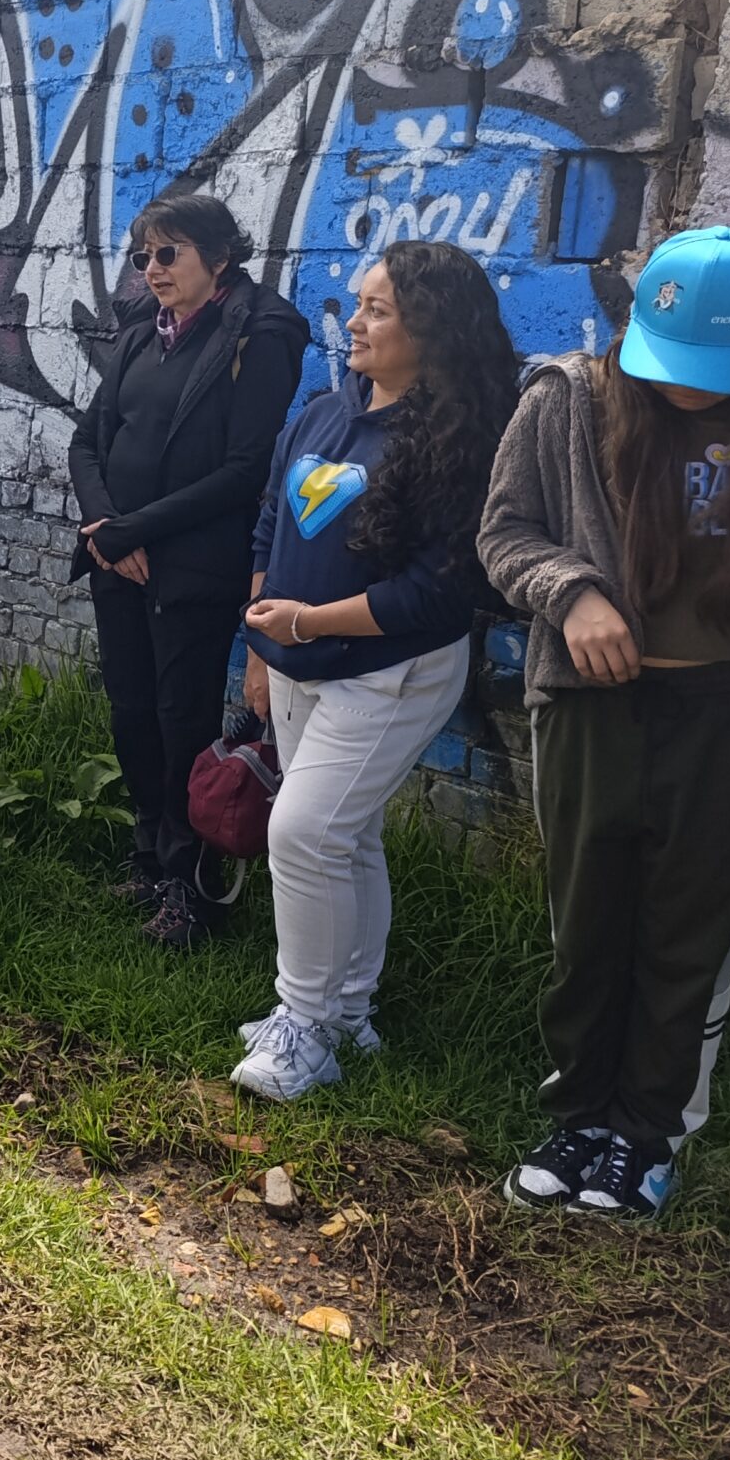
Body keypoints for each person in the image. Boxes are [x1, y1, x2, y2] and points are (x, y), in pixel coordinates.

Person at [481, 226, 730, 1219]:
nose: (680, 386)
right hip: (595, 708)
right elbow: (504, 532)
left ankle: (649, 1133)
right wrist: (573, 591)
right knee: (587, 920)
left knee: (690, 932)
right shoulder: (566, 400)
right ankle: (578, 1114)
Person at [231, 243, 518, 1098]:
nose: (353, 321)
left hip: (389, 670)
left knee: (303, 831)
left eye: (378, 309)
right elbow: (267, 529)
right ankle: (347, 1017)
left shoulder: (457, 438)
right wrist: (264, 639)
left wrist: (307, 622)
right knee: (343, 836)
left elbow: (435, 594)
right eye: (359, 304)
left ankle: (305, 1027)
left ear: (430, 327)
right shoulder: (325, 413)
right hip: (296, 659)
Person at [68, 193, 306, 946]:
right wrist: (109, 529)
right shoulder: (145, 333)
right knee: (132, 712)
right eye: (143, 257)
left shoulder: (259, 335)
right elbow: (86, 442)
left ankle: (192, 883)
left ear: (218, 257)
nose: (152, 270)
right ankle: (148, 853)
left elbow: (245, 469)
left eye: (168, 254)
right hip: (120, 560)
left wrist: (140, 529)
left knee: (183, 721)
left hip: (192, 567)